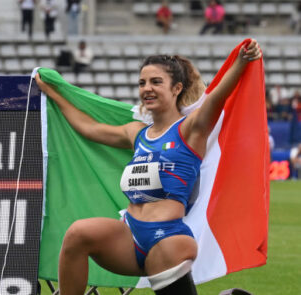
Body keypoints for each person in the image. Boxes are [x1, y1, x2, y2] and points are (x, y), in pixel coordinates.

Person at [33, 39, 263, 295]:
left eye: (156, 82)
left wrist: (242, 62)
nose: (147, 89)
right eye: (142, 83)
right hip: (129, 235)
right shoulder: (137, 134)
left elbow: (218, 96)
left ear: (176, 88)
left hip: (168, 239)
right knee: (78, 234)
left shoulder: (190, 129)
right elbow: (89, 128)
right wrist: (54, 93)